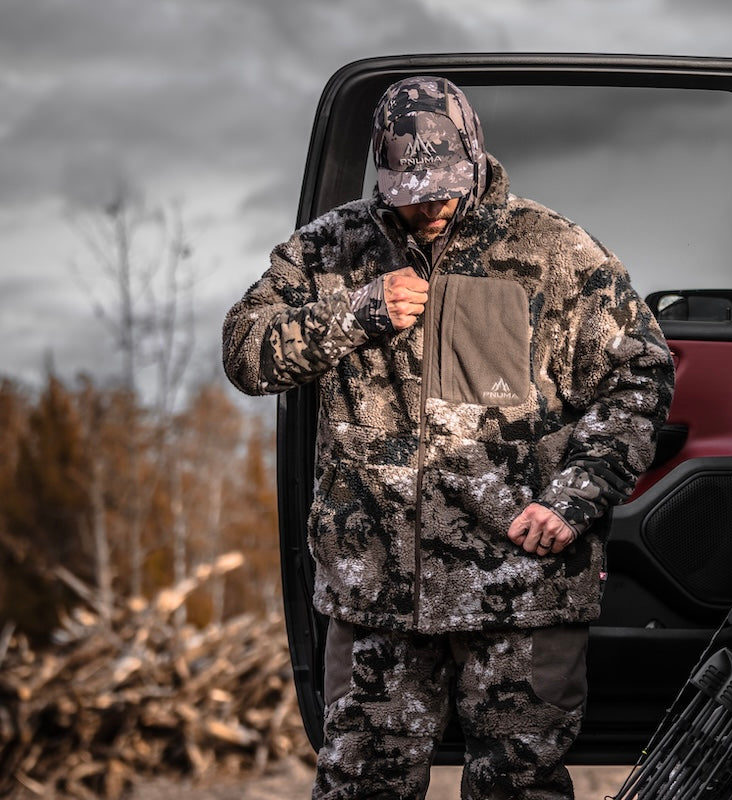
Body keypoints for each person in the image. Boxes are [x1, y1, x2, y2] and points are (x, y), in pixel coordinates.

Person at [222, 76, 675, 799]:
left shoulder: (556, 252)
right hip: (375, 597)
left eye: (438, 185)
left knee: (519, 789)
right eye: (406, 186)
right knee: (359, 787)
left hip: (519, 588)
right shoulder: (331, 251)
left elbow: (640, 379)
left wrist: (574, 498)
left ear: (474, 158)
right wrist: (355, 312)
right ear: (381, 172)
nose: (424, 202)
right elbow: (245, 352)